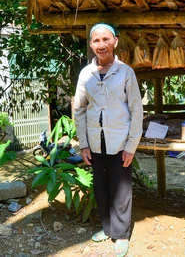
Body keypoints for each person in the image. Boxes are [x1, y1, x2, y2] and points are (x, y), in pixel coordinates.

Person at [73, 23, 143, 257]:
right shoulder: (86, 74)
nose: (101, 45)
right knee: (101, 186)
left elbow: (136, 110)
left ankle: (121, 235)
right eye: (96, 41)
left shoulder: (125, 72)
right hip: (95, 139)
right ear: (91, 44)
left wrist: (131, 146)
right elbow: (79, 109)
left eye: (106, 39)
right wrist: (83, 142)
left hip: (120, 140)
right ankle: (107, 228)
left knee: (121, 188)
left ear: (115, 41)